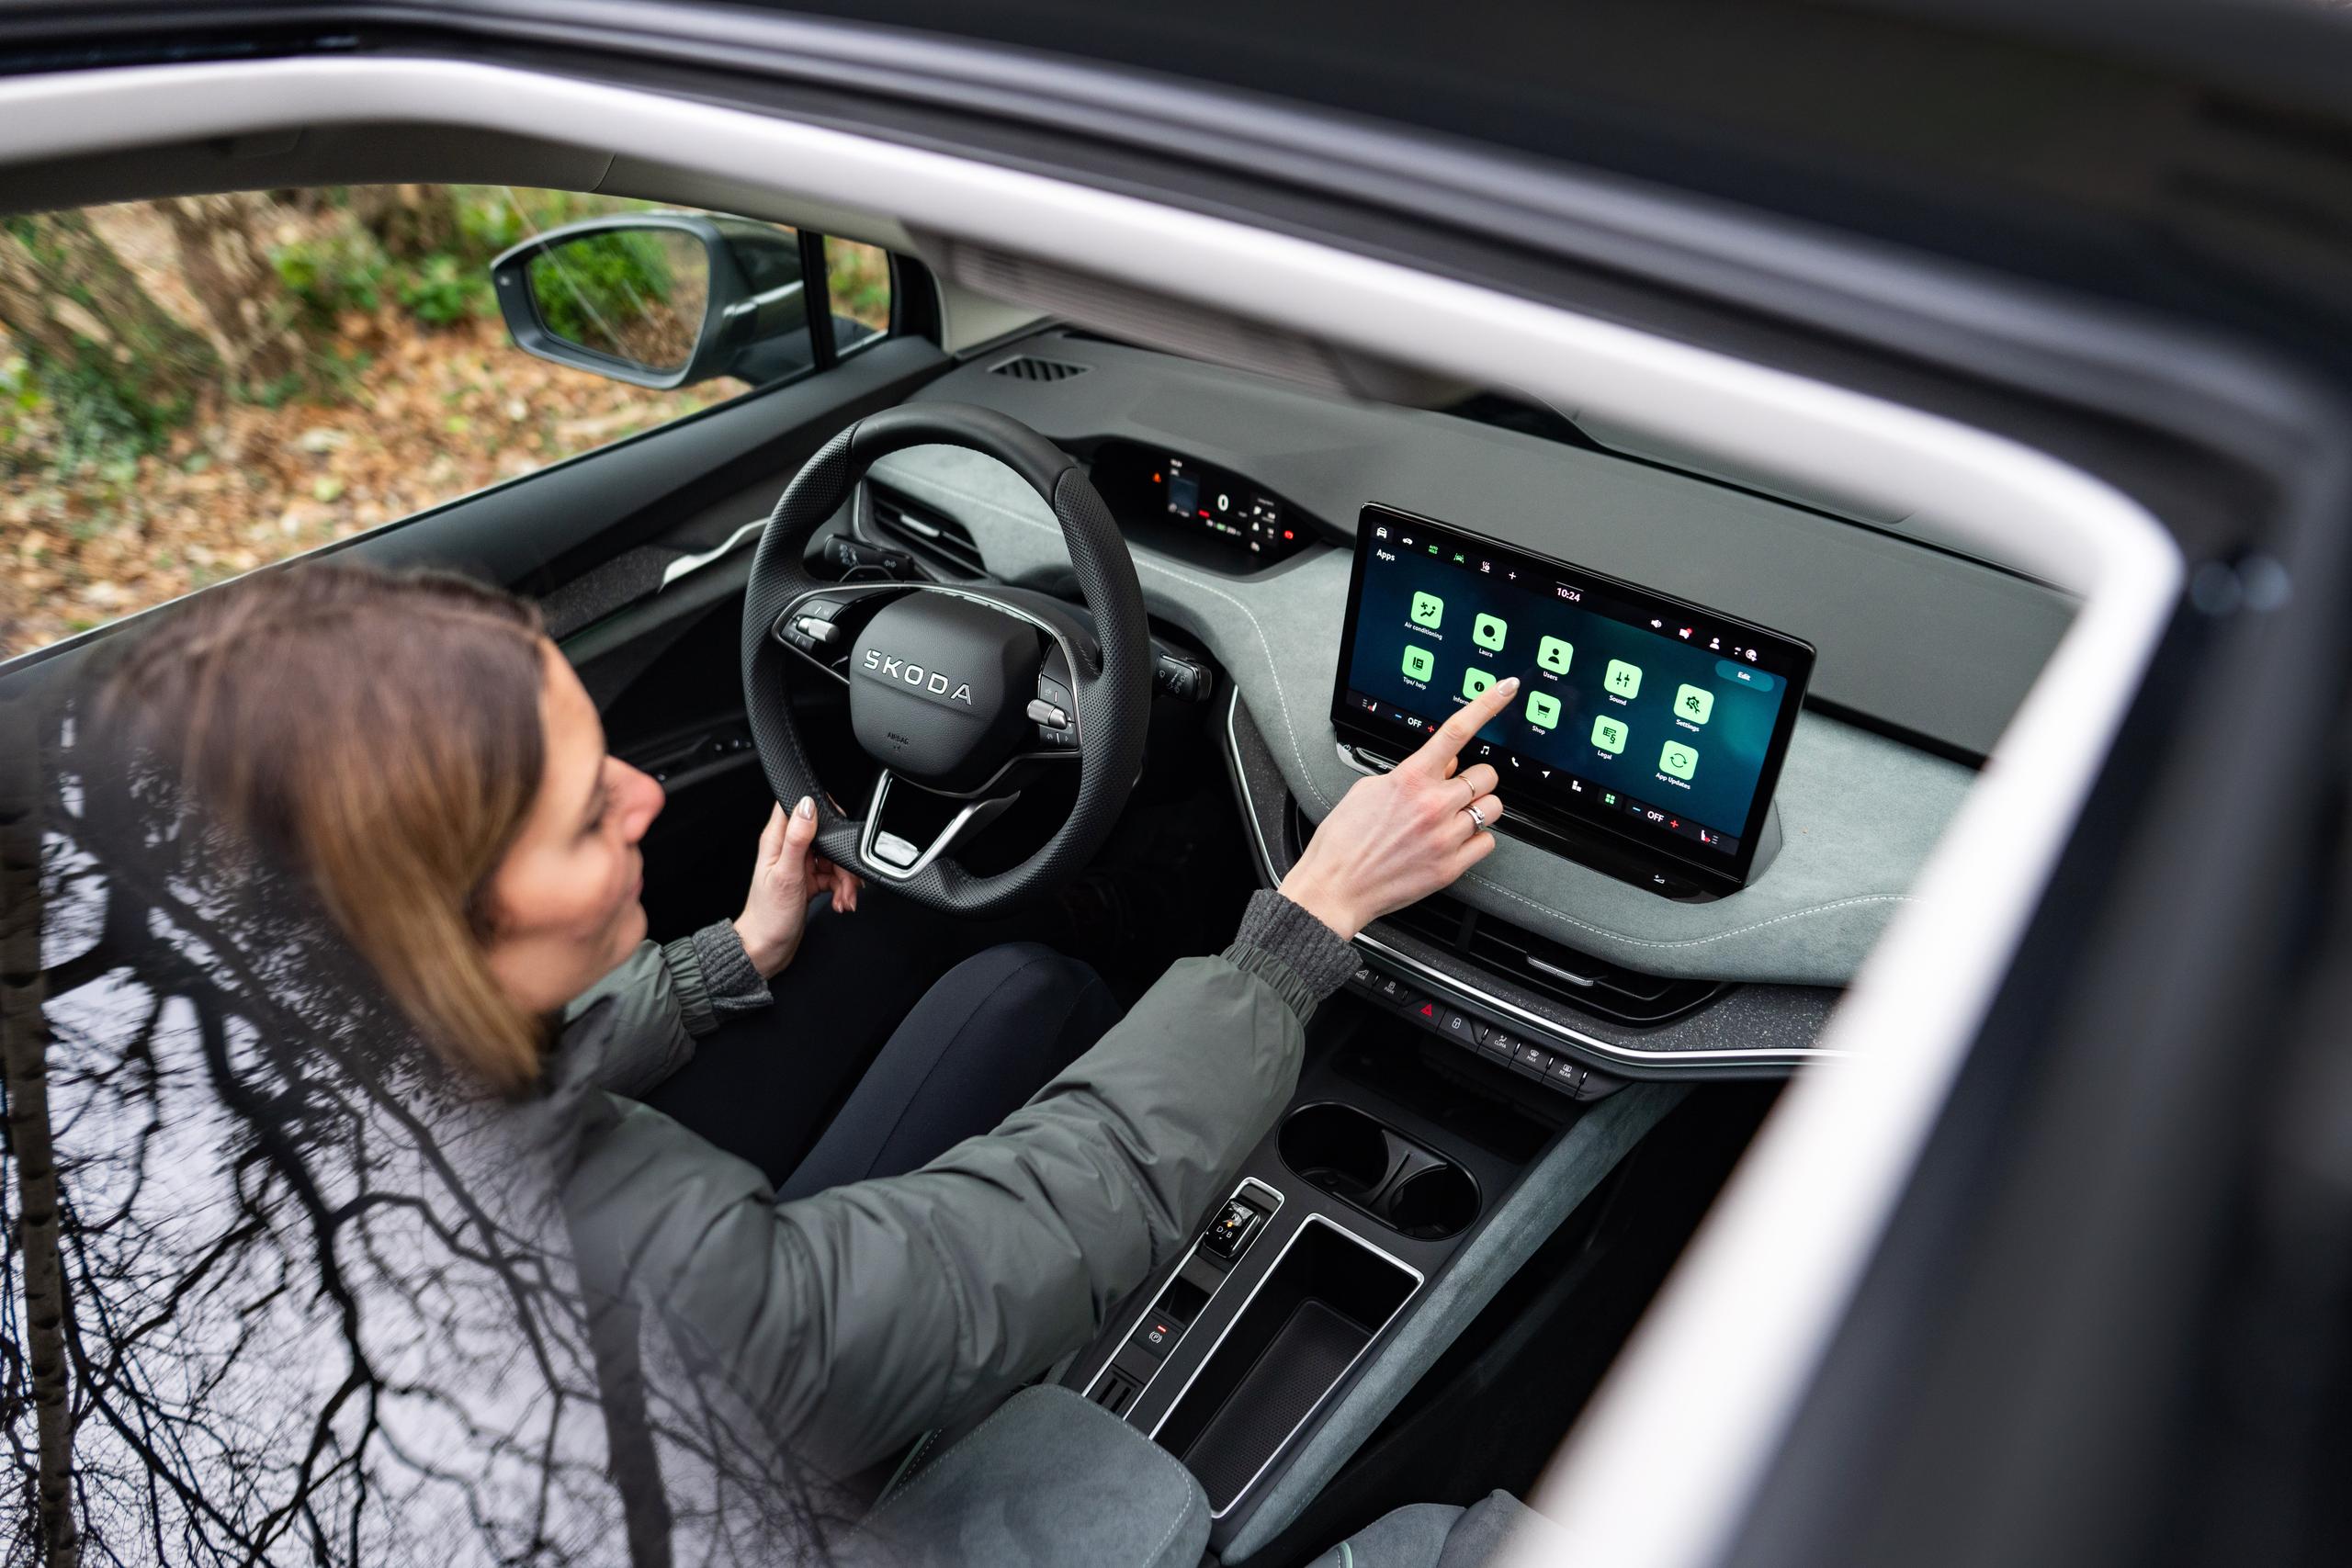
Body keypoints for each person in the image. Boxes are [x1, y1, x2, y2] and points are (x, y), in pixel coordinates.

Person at [98, 560, 1515, 1482]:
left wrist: (726, 960)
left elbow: (508, 1077)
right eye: (589, 815)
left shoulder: (203, 1085)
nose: (647, 798)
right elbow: (1016, 1243)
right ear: (442, 939)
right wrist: (1304, 927)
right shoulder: (620, 1274)